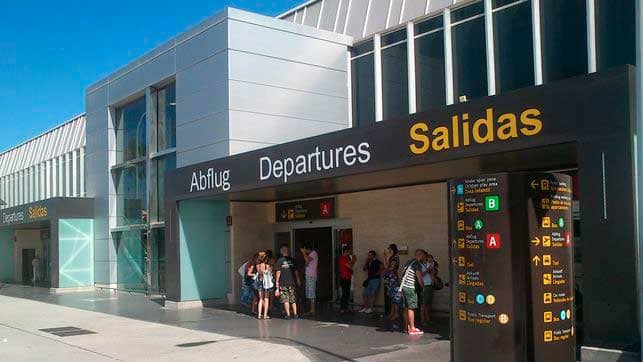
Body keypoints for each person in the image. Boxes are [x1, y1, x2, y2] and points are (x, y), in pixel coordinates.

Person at [399, 250, 425, 335]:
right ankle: (412, 328)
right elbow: (419, 278)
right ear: (420, 255)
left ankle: (407, 327)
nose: (424, 258)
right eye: (423, 256)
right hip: (410, 288)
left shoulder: (409, 262)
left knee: (406, 307)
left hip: (404, 287)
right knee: (411, 307)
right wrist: (422, 287)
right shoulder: (417, 264)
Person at [275, 244, 302, 319]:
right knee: (292, 298)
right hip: (292, 282)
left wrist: (277, 282)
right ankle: (295, 314)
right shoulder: (292, 260)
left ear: (281, 251)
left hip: (283, 282)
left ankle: (288, 314)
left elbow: (278, 272)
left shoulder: (280, 261)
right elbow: (296, 271)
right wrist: (298, 279)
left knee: (285, 299)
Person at [248, 251, 274, 319]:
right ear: (266, 259)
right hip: (266, 283)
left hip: (259, 282)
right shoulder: (267, 266)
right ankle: (265, 315)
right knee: (266, 298)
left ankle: (259, 314)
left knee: (260, 298)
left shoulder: (257, 265)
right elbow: (270, 273)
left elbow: (258, 273)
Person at [382, 258, 402, 326]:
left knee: (395, 301)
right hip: (390, 287)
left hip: (395, 287)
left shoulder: (395, 270)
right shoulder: (388, 269)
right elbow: (384, 275)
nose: (393, 264)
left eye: (394, 263)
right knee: (392, 301)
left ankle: (396, 314)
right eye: (392, 263)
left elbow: (397, 279)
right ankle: (392, 313)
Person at [420, 252, 438, 325]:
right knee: (424, 304)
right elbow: (421, 275)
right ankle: (422, 319)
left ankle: (428, 319)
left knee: (428, 304)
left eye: (432, 259)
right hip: (425, 285)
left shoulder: (432, 265)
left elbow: (434, 274)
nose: (430, 260)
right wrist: (428, 270)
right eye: (429, 258)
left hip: (431, 285)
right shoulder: (422, 266)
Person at [300, 243, 318, 316]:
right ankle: (311, 309)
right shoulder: (311, 254)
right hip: (308, 275)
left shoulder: (313, 253)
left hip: (311, 276)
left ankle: (312, 310)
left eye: (305, 250)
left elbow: (307, 260)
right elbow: (307, 263)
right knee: (309, 292)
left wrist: (303, 253)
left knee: (311, 292)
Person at [338, 247, 356, 313]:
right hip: (344, 277)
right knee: (345, 293)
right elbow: (349, 266)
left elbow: (350, 266)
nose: (350, 253)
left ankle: (346, 307)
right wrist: (353, 260)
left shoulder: (347, 258)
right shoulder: (342, 258)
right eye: (349, 252)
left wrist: (352, 261)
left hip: (348, 277)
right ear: (346, 251)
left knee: (347, 293)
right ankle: (342, 308)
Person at [383, 244, 400, 315]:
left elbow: (390, 268)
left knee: (394, 297)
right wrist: (385, 257)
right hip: (391, 279)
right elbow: (387, 266)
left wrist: (385, 271)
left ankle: (395, 313)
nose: (388, 250)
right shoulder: (392, 257)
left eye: (389, 248)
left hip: (393, 279)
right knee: (391, 297)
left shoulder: (395, 258)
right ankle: (392, 313)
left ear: (392, 249)